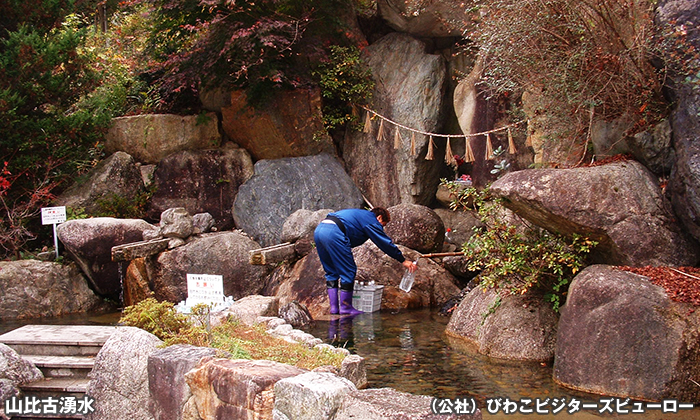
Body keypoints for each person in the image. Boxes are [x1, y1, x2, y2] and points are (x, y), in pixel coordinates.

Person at [314, 207, 416, 315]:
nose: (381, 228)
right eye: (383, 225)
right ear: (379, 217)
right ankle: (345, 308)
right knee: (348, 271)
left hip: (320, 230)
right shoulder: (371, 220)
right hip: (334, 233)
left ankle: (334, 309)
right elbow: (384, 243)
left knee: (331, 272)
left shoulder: (360, 215)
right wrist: (403, 260)